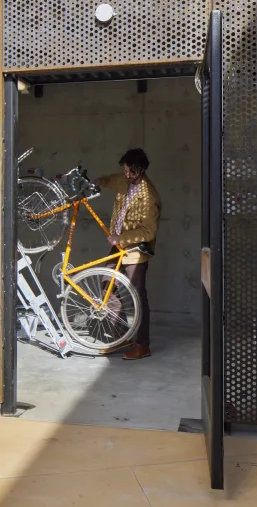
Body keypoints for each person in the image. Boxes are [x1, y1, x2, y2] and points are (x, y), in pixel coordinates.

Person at [94, 148, 161, 360]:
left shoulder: (149, 196)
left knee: (138, 297)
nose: (126, 175)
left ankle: (142, 345)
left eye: (129, 171)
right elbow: (111, 180)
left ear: (140, 170)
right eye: (124, 170)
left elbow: (148, 231)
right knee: (107, 286)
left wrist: (120, 239)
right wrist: (97, 182)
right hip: (118, 246)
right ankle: (121, 337)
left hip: (135, 251)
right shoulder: (124, 181)